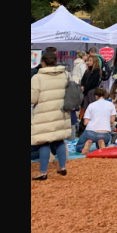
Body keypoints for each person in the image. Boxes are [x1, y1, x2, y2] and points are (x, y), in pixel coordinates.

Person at [31, 51, 71, 180]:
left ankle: (43, 172)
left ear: (43, 62)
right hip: (61, 111)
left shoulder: (37, 78)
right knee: (59, 139)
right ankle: (62, 166)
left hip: (43, 113)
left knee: (44, 142)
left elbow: (33, 98)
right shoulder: (65, 74)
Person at [75, 88, 116, 155]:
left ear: (96, 96)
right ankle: (101, 146)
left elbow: (85, 122)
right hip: (104, 133)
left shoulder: (91, 105)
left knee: (78, 147)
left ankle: (84, 147)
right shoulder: (111, 104)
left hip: (90, 132)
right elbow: (112, 121)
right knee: (103, 142)